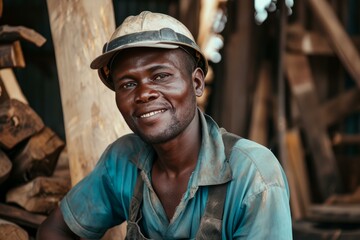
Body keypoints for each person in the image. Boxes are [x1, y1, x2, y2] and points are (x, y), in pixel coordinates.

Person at [37, 11, 292, 239]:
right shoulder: (123, 161)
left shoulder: (254, 176)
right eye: (127, 84)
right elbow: (54, 230)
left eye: (161, 76)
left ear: (196, 83)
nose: (144, 93)